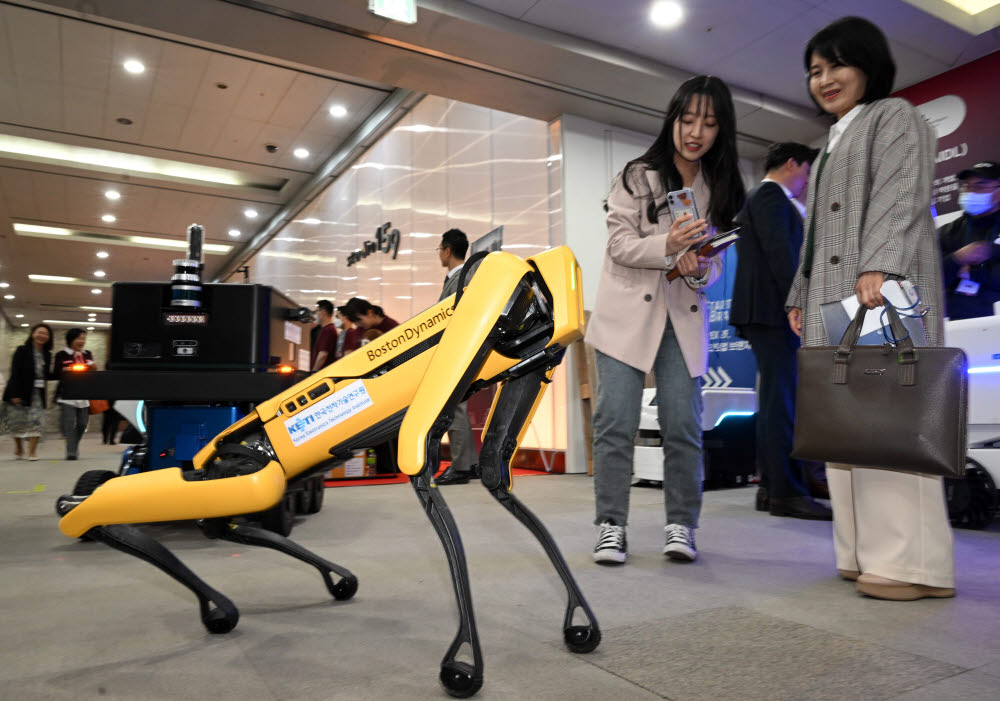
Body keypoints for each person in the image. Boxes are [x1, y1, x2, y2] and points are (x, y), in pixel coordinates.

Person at [786, 16, 954, 601]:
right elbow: (813, 237)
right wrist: (797, 294)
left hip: (881, 290)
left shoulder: (894, 116)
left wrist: (878, 263)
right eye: (815, 70)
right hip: (839, 301)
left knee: (890, 423)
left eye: (836, 64)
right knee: (848, 426)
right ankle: (863, 553)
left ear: (868, 65)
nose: (824, 79)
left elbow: (900, 195)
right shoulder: (832, 141)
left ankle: (911, 564)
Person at [586, 75, 746, 565]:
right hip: (625, 316)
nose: (696, 131)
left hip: (682, 317)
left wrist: (700, 267)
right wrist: (670, 246)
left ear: (722, 131)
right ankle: (611, 526)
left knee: (683, 426)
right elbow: (619, 246)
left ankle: (681, 524)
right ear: (673, 119)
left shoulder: (718, 186)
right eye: (688, 118)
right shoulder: (637, 175)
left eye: (710, 123)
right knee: (615, 424)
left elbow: (714, 262)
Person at [730, 142, 831, 521]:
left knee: (775, 402)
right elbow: (780, 251)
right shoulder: (771, 195)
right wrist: (798, 301)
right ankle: (786, 493)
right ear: (792, 164)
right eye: (806, 171)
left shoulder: (761, 197)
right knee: (781, 403)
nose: (806, 180)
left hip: (766, 312)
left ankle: (772, 490)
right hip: (774, 312)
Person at [434, 228, 480, 485]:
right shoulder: (464, 277)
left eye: (440, 249)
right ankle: (469, 463)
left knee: (454, 408)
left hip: (456, 351)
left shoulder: (462, 278)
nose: (439, 254)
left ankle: (461, 466)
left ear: (448, 250)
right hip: (460, 351)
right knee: (457, 407)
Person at [939, 161, 1000, 320]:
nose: (970, 192)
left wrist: (971, 272)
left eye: (980, 186)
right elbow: (930, 275)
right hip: (952, 324)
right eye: (966, 186)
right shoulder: (948, 231)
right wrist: (957, 258)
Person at [2, 323, 53, 461]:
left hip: (37, 394)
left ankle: (32, 452)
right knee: (17, 422)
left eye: (45, 334)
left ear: (49, 338)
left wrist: (65, 373)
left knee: (37, 421)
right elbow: (15, 373)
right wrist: (14, 394)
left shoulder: (47, 355)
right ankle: (19, 448)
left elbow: (46, 375)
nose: (42, 336)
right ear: (32, 334)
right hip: (20, 391)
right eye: (39, 332)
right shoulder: (21, 350)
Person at [52, 328, 96, 460]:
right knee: (69, 424)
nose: (81, 341)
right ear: (71, 339)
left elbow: (93, 372)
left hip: (83, 393)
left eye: (83, 339)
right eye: (79, 338)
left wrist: (93, 367)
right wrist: (67, 369)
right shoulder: (62, 354)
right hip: (67, 395)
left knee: (83, 423)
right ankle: (71, 452)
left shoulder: (87, 354)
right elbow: (55, 374)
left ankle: (73, 446)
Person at [310, 299, 339, 372]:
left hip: (322, 373)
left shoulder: (328, 330)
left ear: (323, 312)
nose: (315, 315)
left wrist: (314, 371)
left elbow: (323, 354)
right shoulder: (327, 329)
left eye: (316, 311)